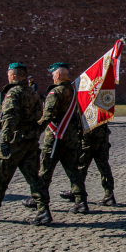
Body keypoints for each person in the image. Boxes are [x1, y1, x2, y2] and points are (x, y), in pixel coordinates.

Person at [0, 63, 52, 225]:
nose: (8, 76)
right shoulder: (34, 94)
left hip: (14, 142)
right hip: (30, 142)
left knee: (1, 178)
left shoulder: (13, 93)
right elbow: (39, 116)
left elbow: (10, 118)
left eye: (9, 74)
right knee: (33, 178)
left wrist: (4, 139)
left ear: (14, 76)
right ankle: (43, 211)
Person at [28, 63, 84, 213]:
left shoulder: (55, 93)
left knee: (45, 170)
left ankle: (38, 199)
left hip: (55, 138)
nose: (52, 77)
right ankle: (81, 201)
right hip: (71, 137)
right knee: (73, 170)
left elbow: (48, 116)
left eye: (53, 74)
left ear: (58, 75)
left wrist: (36, 130)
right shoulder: (73, 92)